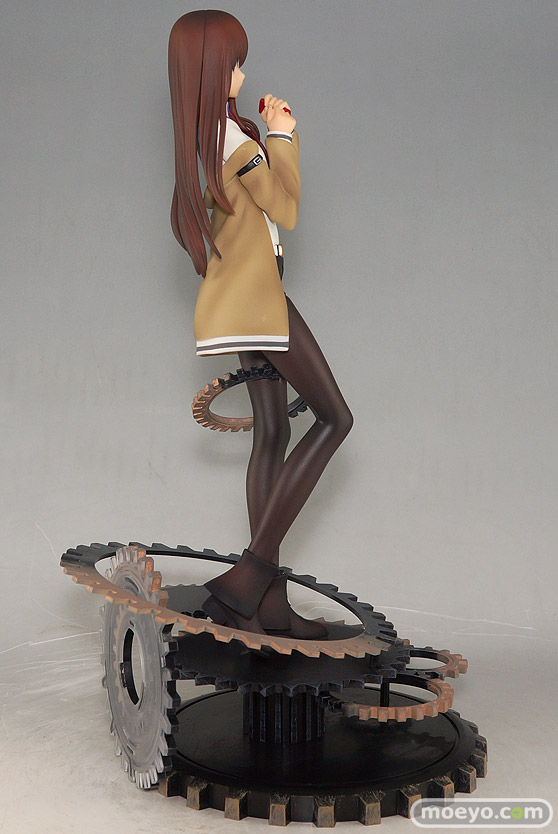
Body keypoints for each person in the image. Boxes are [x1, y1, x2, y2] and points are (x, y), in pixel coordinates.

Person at [168, 10, 353, 639]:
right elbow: (286, 208)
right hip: (254, 302)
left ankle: (267, 607)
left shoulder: (206, 140)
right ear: (212, 71)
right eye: (235, 64)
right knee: (334, 418)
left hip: (236, 300)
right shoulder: (234, 142)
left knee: (273, 431)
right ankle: (248, 577)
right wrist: (283, 135)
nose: (243, 76)